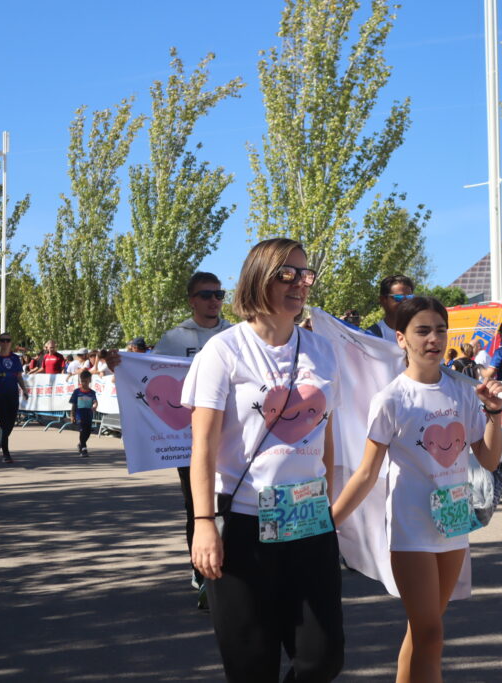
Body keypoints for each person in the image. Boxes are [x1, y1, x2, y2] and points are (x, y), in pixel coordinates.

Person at [184, 239, 344, 681]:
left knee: (323, 657)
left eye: (305, 274)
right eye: (287, 274)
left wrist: (329, 505)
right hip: (244, 524)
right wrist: (202, 523)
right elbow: (203, 447)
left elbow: (324, 433)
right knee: (252, 665)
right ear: (258, 277)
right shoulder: (224, 350)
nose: (299, 284)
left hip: (309, 520)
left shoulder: (323, 351)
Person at [332, 296, 502, 683]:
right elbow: (365, 474)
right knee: (431, 633)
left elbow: (490, 460)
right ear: (401, 338)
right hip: (411, 528)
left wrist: (493, 414)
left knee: (423, 631)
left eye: (440, 330)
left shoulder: (463, 391)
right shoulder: (391, 398)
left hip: (454, 521)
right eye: (422, 331)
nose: (434, 339)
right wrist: (329, 526)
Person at [142, 271, 234, 608]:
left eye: (219, 294)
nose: (214, 300)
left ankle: (232, 573)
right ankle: (202, 575)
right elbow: (147, 372)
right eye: (206, 294)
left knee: (232, 505)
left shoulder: (236, 334)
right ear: (192, 300)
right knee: (198, 507)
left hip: (234, 436)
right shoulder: (174, 338)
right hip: (189, 438)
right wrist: (120, 363)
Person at [0, 333, 30, 464]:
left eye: (7, 340)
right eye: (2, 340)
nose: (5, 343)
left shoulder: (15, 359)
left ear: (11, 342)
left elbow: (19, 376)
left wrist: (24, 390)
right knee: (3, 423)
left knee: (10, 423)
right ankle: (6, 453)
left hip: (12, 394)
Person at [367, 274, 415, 338]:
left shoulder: (421, 332)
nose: (405, 302)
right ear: (383, 300)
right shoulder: (372, 335)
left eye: (409, 297)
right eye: (399, 297)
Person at [69, 370, 97, 457]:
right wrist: (72, 415)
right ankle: (84, 448)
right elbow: (74, 404)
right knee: (82, 430)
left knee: (88, 431)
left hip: (88, 414)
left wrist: (95, 405)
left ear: (90, 380)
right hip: (79, 415)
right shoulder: (77, 392)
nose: (84, 383)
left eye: (86, 381)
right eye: (82, 381)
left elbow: (95, 401)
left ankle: (81, 444)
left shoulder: (92, 392)